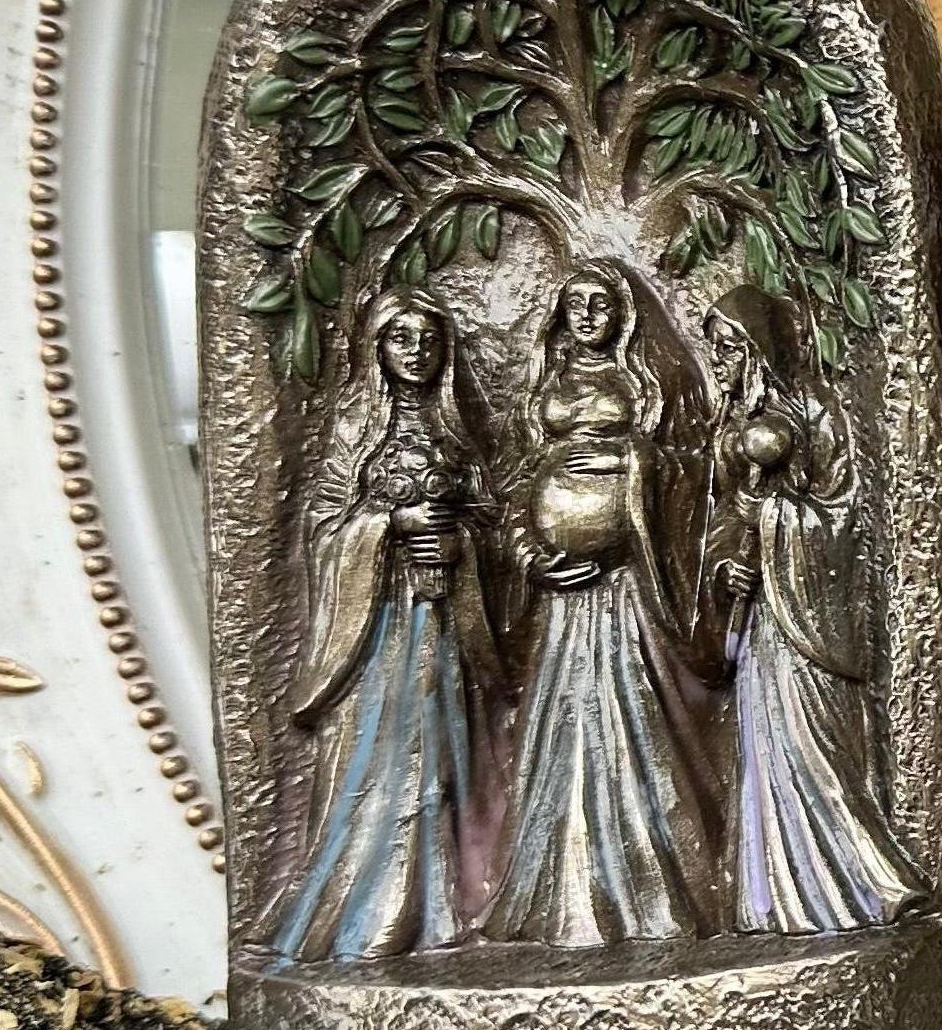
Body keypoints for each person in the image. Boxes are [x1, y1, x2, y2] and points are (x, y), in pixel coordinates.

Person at [484, 262, 719, 947]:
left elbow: (685, 470)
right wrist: (533, 553)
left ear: (622, 315)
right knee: (563, 718)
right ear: (560, 316)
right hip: (561, 595)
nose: (587, 315)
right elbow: (515, 487)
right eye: (575, 303)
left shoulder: (644, 384)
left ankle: (646, 886)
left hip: (624, 590)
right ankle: (561, 888)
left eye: (600, 304)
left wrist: (636, 476)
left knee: (631, 710)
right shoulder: (543, 389)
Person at [265, 293, 504, 967]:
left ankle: (443, 904)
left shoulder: (455, 432)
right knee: (386, 755)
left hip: (445, 619)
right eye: (401, 338)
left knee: (444, 754)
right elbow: (323, 528)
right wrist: (387, 528)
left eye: (428, 338)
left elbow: (488, 518)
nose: (416, 351)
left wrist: (461, 545)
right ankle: (372, 910)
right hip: (380, 629)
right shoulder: (356, 429)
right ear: (377, 347)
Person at [701, 286, 924, 933]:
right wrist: (728, 561)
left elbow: (846, 513)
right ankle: (772, 897)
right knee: (763, 749)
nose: (719, 362)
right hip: (760, 621)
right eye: (715, 350)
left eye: (728, 349)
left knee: (814, 749)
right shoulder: (730, 430)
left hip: (806, 618)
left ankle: (868, 886)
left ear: (756, 350)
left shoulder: (814, 412)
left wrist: (774, 519)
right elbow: (718, 522)